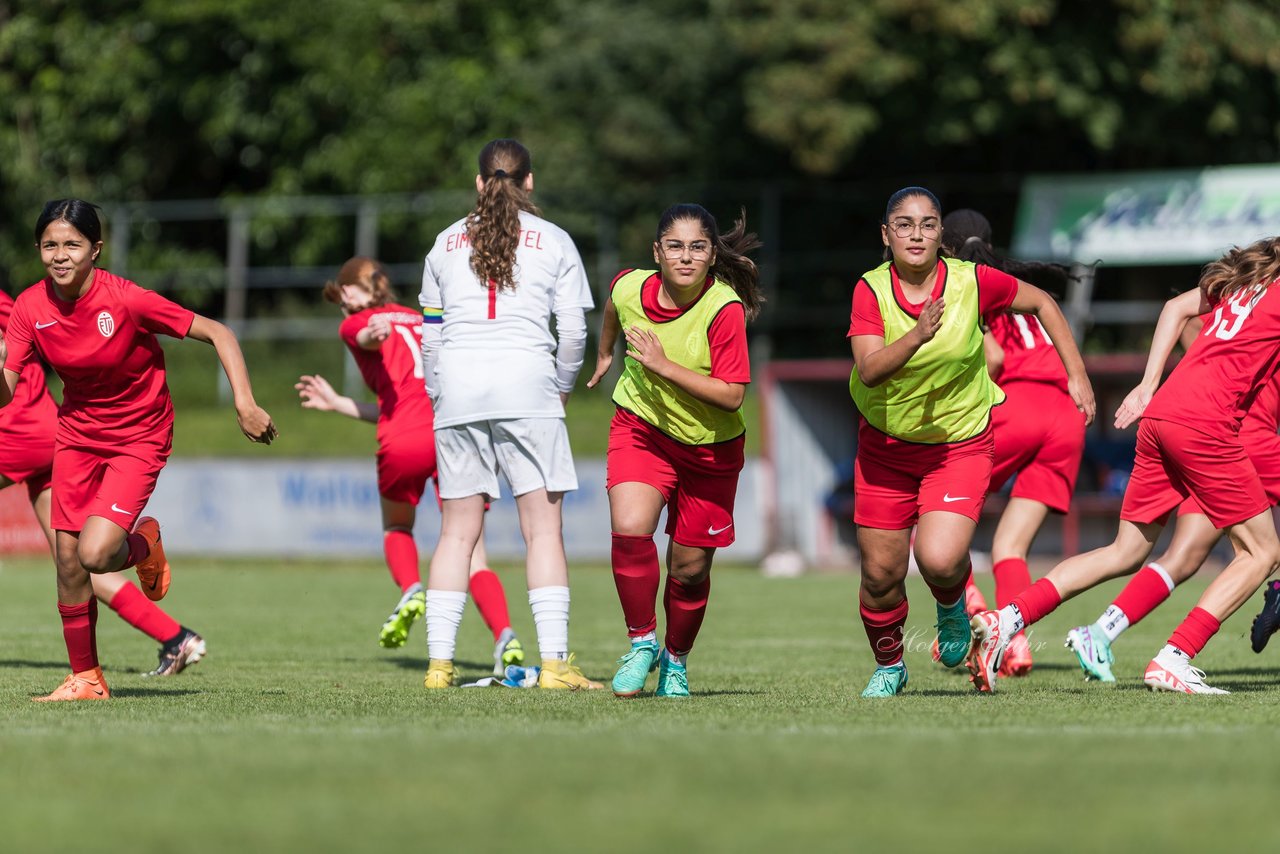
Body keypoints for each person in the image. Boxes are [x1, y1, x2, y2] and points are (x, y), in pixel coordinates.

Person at [968, 236, 1280, 694]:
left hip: (1162, 414)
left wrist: (1148, 385)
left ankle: (1005, 620)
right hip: (1206, 423)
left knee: (1126, 552)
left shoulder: (1243, 282)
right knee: (1262, 552)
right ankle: (1175, 655)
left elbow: (1175, 307)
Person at [0, 199, 276, 702]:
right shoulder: (29, 307)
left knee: (96, 553)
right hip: (76, 435)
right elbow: (8, 388)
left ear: (95, 250)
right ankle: (86, 679)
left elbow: (218, 331)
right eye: (49, 246)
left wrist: (245, 402)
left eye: (71, 245)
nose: (60, 256)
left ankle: (145, 542)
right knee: (67, 561)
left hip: (139, 435)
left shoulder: (125, 299)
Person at [848, 187, 1094, 698]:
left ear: (942, 236)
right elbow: (869, 371)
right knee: (880, 576)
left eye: (928, 224)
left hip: (958, 443)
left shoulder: (972, 281)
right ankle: (890, 665)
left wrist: (1079, 376)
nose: (916, 234)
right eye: (905, 224)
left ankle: (955, 607)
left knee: (939, 559)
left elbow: (1044, 301)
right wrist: (917, 335)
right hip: (886, 449)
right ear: (886, 234)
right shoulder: (869, 290)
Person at [418, 138, 599, 690]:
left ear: (478, 183)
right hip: (529, 391)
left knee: (456, 535)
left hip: (459, 393)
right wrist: (561, 388)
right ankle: (554, 666)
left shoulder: (444, 242)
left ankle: (439, 667)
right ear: (530, 182)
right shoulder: (558, 242)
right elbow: (573, 334)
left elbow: (430, 339)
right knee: (542, 531)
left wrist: (440, 394)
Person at [295, 256, 523, 675]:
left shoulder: (356, 321)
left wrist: (370, 331)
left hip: (406, 439)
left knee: (398, 526)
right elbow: (403, 397)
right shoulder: (421, 319)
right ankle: (505, 635)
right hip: (458, 435)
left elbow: (365, 335)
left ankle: (411, 588)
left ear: (349, 293)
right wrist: (338, 404)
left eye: (342, 299)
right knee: (474, 555)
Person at [586, 203, 761, 698]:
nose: (686, 257)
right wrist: (604, 353)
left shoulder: (722, 308)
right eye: (676, 246)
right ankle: (642, 643)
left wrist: (663, 366)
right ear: (657, 252)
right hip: (642, 429)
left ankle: (675, 662)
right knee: (630, 525)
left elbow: (731, 395)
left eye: (698, 247)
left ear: (711, 256)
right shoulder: (628, 287)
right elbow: (613, 312)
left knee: (688, 569)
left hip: (710, 450)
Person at [1, 289, 206, 677]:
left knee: (81, 560)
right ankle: (176, 637)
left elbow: (25, 332)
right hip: (44, 432)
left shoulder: (29, 303)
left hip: (19, 430)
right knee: (76, 565)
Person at [1065, 332, 1280, 681]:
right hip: (1237, 441)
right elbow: (1186, 314)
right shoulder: (1257, 302)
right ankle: (1175, 654)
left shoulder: (1237, 304)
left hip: (1214, 441)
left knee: (1182, 556)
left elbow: (1183, 314)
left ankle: (1101, 631)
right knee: (1258, 553)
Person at [938, 209, 1087, 677]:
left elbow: (996, 357)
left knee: (935, 515)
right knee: (1010, 546)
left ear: (945, 245)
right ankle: (1015, 644)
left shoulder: (963, 282)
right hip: (1065, 416)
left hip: (1016, 406)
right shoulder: (1014, 280)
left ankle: (974, 609)